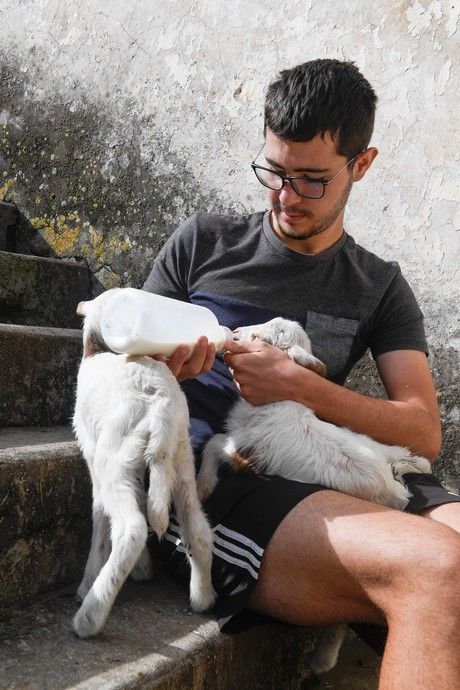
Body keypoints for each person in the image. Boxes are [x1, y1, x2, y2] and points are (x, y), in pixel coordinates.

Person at [143, 59, 460, 689]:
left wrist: (300, 386)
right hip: (221, 481)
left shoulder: (379, 286)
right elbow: (106, 365)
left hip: (333, 459)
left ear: (361, 165)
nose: (286, 197)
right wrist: (157, 364)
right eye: (275, 172)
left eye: (312, 180)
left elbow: (423, 435)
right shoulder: (203, 244)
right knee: (439, 569)